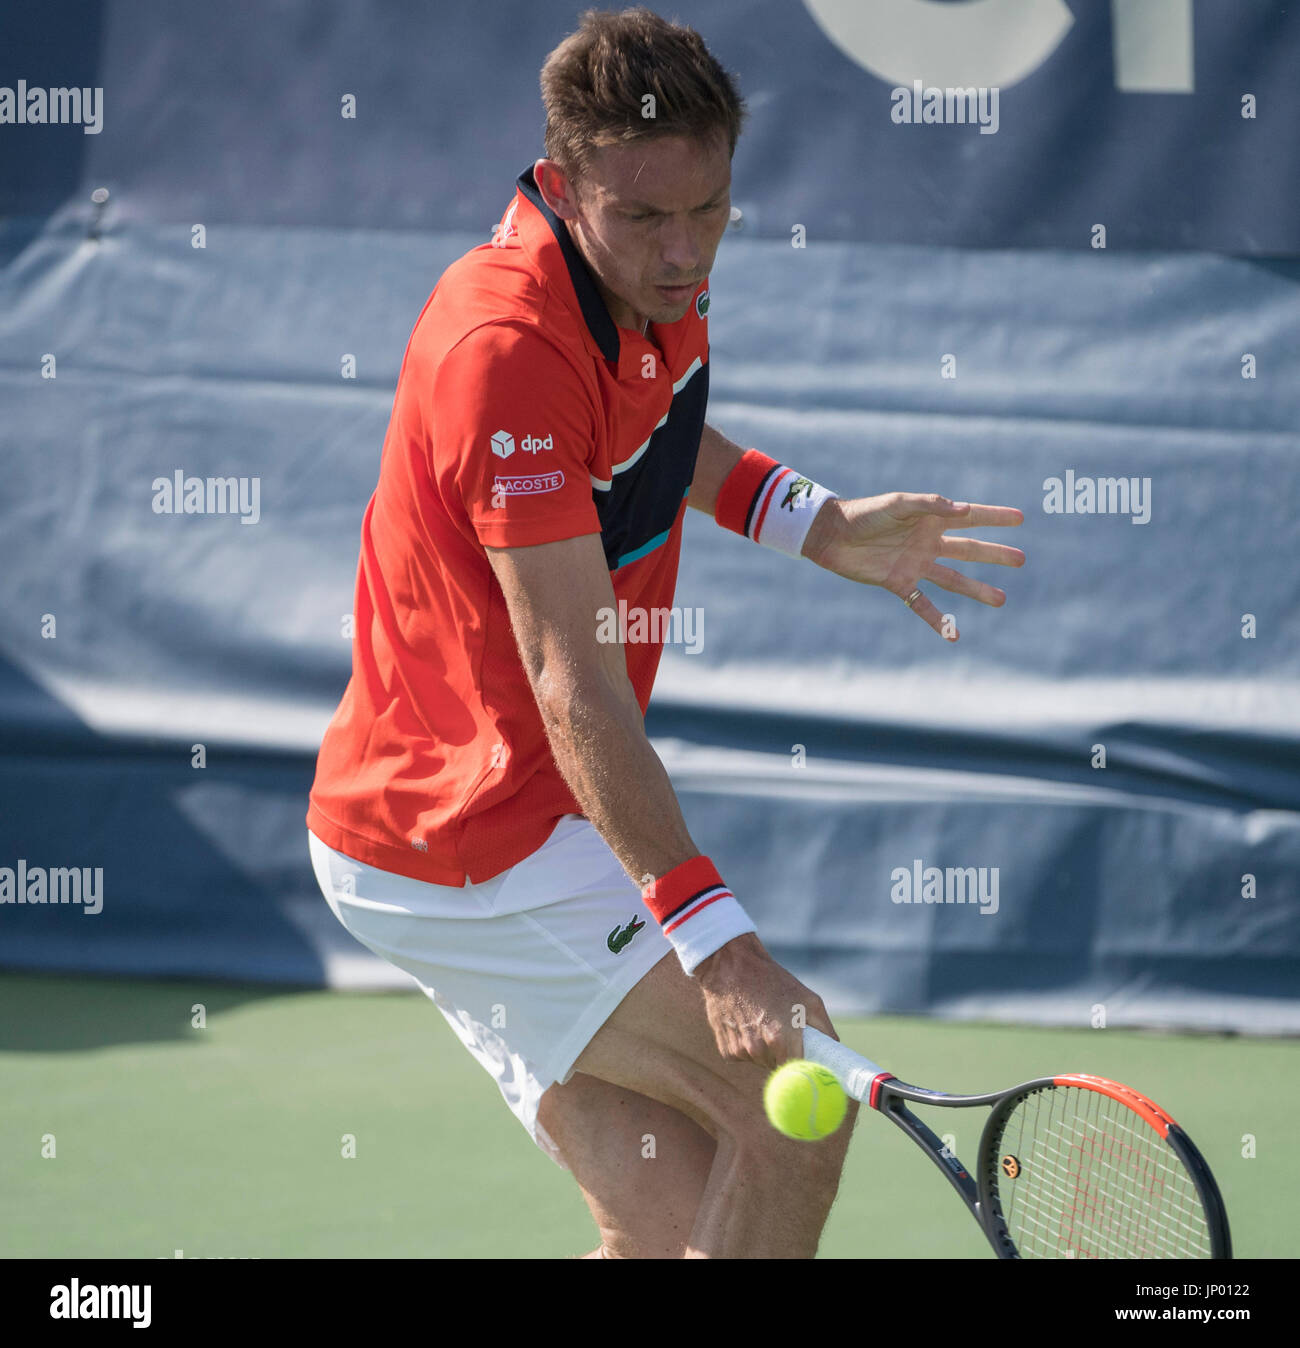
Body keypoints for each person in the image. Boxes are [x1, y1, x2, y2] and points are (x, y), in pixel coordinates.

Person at [306, 6, 1024, 1258]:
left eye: (710, 212)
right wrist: (717, 942)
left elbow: (651, 429)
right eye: (643, 218)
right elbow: (568, 681)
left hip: (452, 824)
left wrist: (808, 520)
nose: (684, 252)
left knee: (679, 1222)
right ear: (562, 181)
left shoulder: (642, 281)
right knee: (789, 1109)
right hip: (468, 837)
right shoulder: (503, 350)